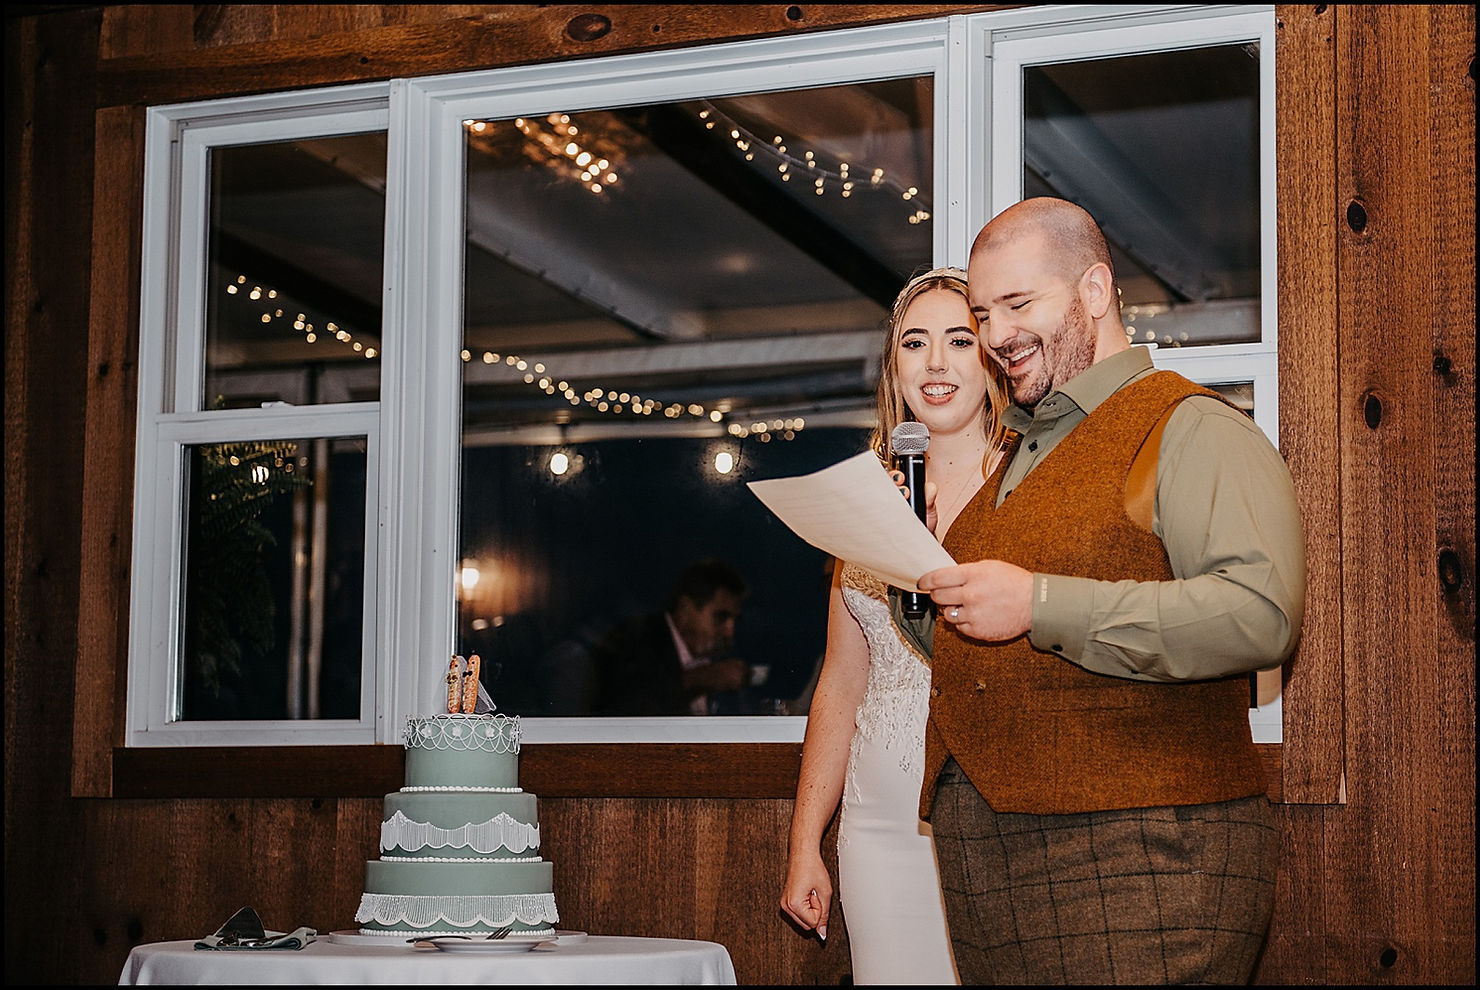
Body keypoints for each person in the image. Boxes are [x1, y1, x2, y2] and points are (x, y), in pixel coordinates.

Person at [915, 197, 1306, 985]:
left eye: (1019, 305)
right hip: (994, 863)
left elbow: (1260, 615)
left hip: (1148, 856)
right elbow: (1000, 649)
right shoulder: (1018, 455)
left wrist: (1039, 605)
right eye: (984, 313)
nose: (995, 337)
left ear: (1095, 292)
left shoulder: (1194, 428)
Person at [780, 268, 1011, 984]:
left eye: (959, 341)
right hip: (882, 824)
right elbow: (842, 686)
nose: (936, 363)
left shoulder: (1030, 486)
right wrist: (805, 842)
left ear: (991, 359)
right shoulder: (865, 503)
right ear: (894, 367)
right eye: (915, 343)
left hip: (1002, 813)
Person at [591, 558, 750, 716]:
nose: (730, 632)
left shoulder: (721, 655)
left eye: (735, 620)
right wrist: (697, 680)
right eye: (721, 617)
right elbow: (626, 706)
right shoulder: (636, 639)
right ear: (685, 608)